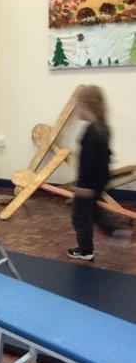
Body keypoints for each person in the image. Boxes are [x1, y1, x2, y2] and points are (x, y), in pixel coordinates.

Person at [67, 85, 125, 261]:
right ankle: (114, 232)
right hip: (99, 180)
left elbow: (88, 163)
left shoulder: (92, 132)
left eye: (78, 105)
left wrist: (83, 187)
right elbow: (105, 157)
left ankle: (85, 250)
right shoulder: (102, 127)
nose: (76, 110)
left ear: (86, 105)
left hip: (89, 183)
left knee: (80, 216)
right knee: (92, 211)